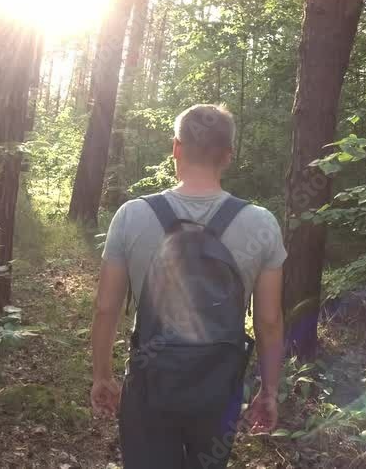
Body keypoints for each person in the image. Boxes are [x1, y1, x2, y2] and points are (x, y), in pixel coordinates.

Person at [90, 104, 287, 468]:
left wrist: (102, 374)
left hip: (149, 385)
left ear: (176, 148)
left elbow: (106, 307)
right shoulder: (261, 223)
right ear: (228, 156)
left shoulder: (132, 215)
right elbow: (270, 321)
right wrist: (269, 391)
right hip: (219, 390)